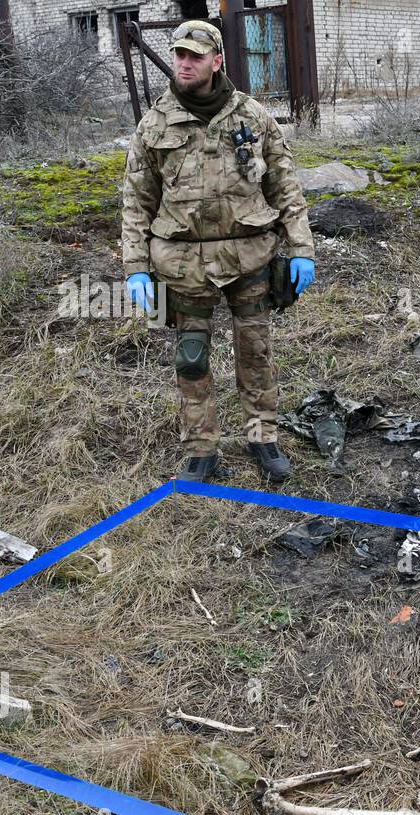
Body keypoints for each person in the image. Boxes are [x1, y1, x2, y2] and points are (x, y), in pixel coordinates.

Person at [120, 20, 315, 484]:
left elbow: (285, 184)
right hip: (183, 262)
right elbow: (136, 199)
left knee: (256, 352)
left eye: (194, 56)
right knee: (192, 358)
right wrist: (135, 267)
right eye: (179, 55)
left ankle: (263, 438)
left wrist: (302, 246)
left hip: (250, 257)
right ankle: (202, 449)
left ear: (216, 60)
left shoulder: (252, 117)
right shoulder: (155, 124)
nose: (184, 63)